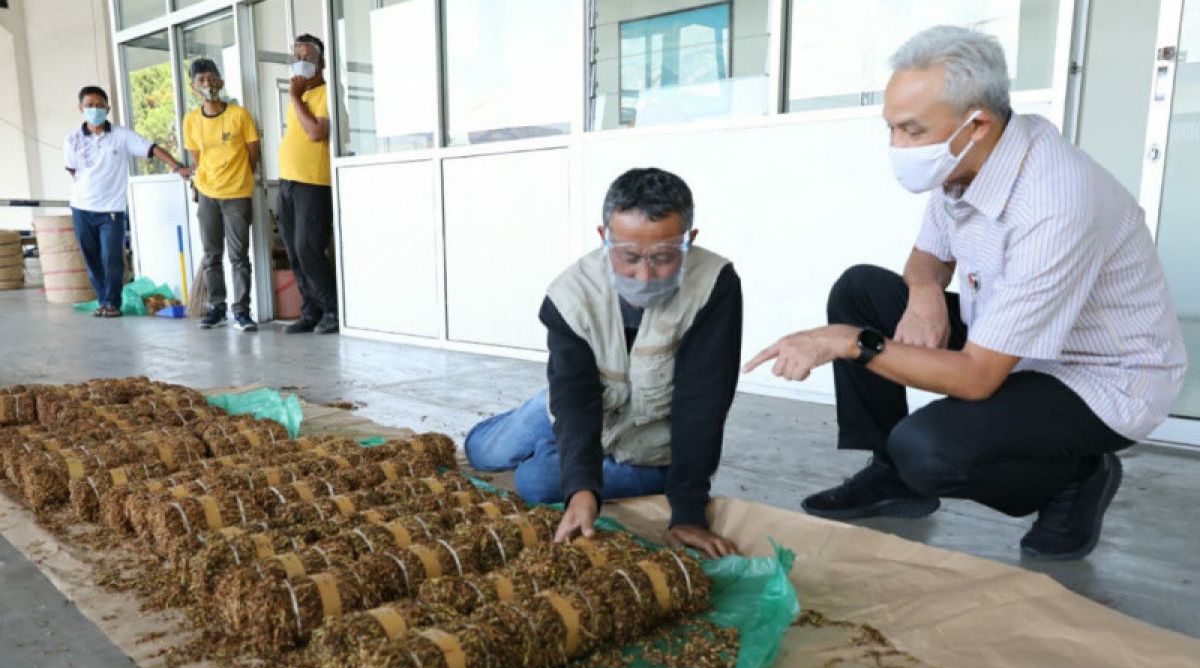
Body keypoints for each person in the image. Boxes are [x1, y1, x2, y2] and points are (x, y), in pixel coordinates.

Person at [744, 26, 1186, 561]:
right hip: (1010, 340)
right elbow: (927, 255)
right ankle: (891, 476)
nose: (898, 148)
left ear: (975, 123)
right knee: (861, 290)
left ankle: (1075, 476)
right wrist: (925, 288)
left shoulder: (1054, 200)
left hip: (1097, 376)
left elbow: (978, 378)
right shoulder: (967, 163)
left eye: (911, 130)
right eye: (891, 129)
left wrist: (848, 342)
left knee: (929, 450)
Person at [465, 168, 743, 558]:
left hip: (650, 440)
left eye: (664, 257)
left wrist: (686, 514)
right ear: (603, 238)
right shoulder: (570, 295)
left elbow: (703, 406)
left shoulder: (715, 286)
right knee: (482, 451)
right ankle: (553, 424)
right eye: (628, 257)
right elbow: (578, 397)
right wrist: (581, 488)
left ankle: (560, 449)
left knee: (537, 481)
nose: (644, 275)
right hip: (588, 403)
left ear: (689, 241)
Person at [65, 85, 190, 318]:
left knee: (111, 258)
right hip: (82, 208)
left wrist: (178, 166)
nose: (95, 109)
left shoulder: (121, 136)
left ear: (108, 108)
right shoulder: (72, 139)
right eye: (90, 105)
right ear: (81, 108)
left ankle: (112, 303)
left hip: (111, 209)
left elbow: (151, 149)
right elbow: (73, 171)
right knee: (91, 260)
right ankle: (103, 301)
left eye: (100, 105)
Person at [183, 58, 261, 332]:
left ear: (221, 82)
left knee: (238, 255)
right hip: (207, 193)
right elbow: (198, 158)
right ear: (193, 87)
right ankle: (217, 307)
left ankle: (242, 310)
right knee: (211, 254)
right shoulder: (191, 120)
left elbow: (253, 154)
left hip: (237, 192)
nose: (207, 84)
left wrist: (240, 177)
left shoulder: (239, 115)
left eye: (211, 78)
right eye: (200, 80)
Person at [277, 34, 339, 335]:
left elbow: (317, 132)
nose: (300, 62)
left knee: (309, 247)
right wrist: (296, 98)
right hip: (288, 180)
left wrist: (294, 98)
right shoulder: (298, 95)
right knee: (293, 249)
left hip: (313, 182)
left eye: (308, 57)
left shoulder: (327, 93)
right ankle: (310, 310)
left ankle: (332, 309)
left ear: (321, 64)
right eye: (296, 56)